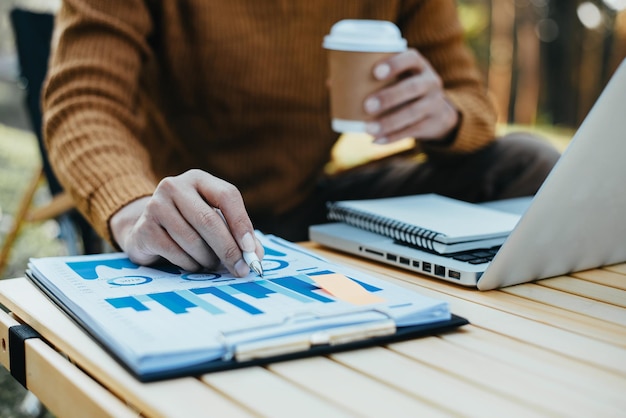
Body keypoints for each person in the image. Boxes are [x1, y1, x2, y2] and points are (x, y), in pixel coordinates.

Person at [42, 0, 560, 278]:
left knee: (528, 162)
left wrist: (444, 115)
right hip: (182, 217)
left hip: (308, 202)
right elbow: (83, 101)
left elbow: (470, 99)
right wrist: (134, 210)